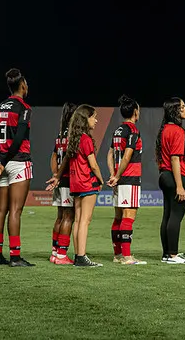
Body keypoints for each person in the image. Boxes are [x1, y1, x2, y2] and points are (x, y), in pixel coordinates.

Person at [0, 68, 35, 267]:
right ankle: (15, 257)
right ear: (22, 85)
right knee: (16, 211)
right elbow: (18, 138)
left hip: (2, 163)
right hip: (18, 161)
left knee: (1, 209)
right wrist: (6, 161)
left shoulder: (0, 108)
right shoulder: (24, 107)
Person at [50, 104, 104, 267]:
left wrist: (57, 176)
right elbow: (93, 165)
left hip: (75, 184)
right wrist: (101, 180)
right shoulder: (86, 139)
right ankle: (80, 256)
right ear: (85, 119)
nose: (96, 120)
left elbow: (62, 159)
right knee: (83, 221)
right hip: (87, 182)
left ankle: (76, 254)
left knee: (78, 220)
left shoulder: (73, 138)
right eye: (93, 117)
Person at [107, 95, 146, 265]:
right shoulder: (133, 131)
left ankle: (117, 255)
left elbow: (110, 155)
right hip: (129, 178)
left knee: (118, 217)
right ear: (135, 112)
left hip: (119, 179)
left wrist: (113, 174)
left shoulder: (118, 131)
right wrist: (118, 175)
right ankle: (127, 257)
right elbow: (128, 155)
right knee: (128, 217)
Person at [157, 97, 185, 264]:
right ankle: (173, 255)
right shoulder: (178, 131)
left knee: (167, 215)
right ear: (175, 111)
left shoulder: (164, 129)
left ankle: (167, 254)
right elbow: (174, 159)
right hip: (175, 177)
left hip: (164, 176)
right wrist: (180, 185)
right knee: (176, 216)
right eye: (183, 107)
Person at [49, 102, 76, 265]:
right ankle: (62, 254)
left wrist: (54, 174)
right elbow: (66, 158)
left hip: (60, 180)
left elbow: (53, 156)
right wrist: (59, 176)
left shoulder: (61, 134)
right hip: (67, 180)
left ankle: (55, 251)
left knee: (60, 216)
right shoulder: (72, 135)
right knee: (68, 216)